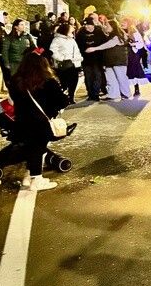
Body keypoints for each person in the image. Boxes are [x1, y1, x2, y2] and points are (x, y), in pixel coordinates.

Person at [9, 51, 69, 191]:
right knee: (38, 148)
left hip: (21, 120)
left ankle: (31, 177)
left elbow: (14, 99)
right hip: (41, 122)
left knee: (31, 148)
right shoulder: (47, 80)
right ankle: (36, 180)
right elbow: (62, 101)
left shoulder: (15, 80)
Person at [84, 19, 131, 100]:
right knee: (110, 79)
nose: (106, 27)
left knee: (121, 77)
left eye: (107, 25)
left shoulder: (117, 36)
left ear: (112, 27)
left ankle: (126, 93)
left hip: (118, 61)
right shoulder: (110, 35)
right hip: (109, 61)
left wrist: (95, 48)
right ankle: (112, 94)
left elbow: (109, 44)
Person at [49, 23, 83, 103]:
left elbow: (76, 50)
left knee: (74, 81)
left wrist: (78, 59)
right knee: (64, 82)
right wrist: (61, 58)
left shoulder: (72, 40)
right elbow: (53, 51)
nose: (72, 31)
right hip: (63, 64)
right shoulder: (57, 39)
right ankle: (64, 97)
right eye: (70, 30)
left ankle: (71, 96)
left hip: (73, 63)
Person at [75, 18, 108, 101]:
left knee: (97, 76)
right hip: (86, 59)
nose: (86, 26)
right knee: (88, 77)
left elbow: (104, 43)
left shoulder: (99, 32)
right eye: (85, 25)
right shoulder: (81, 33)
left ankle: (96, 93)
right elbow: (77, 45)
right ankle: (90, 94)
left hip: (97, 59)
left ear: (92, 25)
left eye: (88, 25)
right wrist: (83, 50)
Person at [126, 23, 146, 97]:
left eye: (124, 23)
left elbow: (141, 43)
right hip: (124, 53)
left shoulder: (134, 32)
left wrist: (133, 44)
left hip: (132, 53)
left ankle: (136, 89)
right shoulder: (120, 31)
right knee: (125, 71)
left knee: (134, 70)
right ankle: (124, 90)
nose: (122, 24)